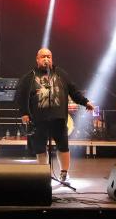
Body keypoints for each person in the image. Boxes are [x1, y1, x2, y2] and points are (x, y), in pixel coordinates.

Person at [16, 48, 94, 183]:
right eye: (43, 57)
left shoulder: (60, 73)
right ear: (37, 59)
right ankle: (43, 174)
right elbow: (21, 97)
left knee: (63, 146)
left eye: (49, 56)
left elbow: (74, 91)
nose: (46, 59)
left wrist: (85, 102)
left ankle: (64, 173)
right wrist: (24, 113)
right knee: (40, 147)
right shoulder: (29, 76)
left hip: (59, 118)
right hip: (38, 119)